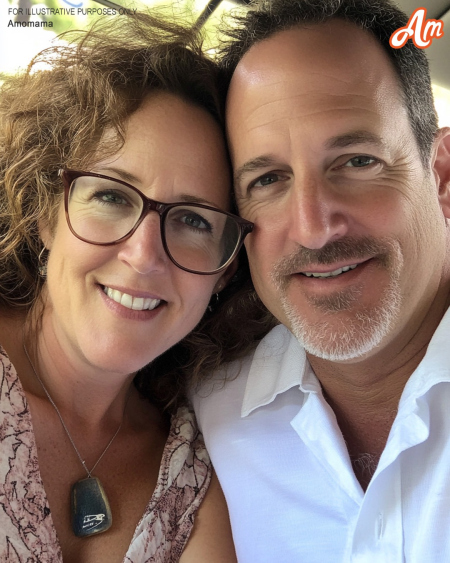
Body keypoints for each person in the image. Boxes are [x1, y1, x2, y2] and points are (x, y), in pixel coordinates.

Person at [191, 0, 450, 560]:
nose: (313, 229)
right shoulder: (206, 418)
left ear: (442, 175)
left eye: (357, 161)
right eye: (267, 180)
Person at [0, 12, 248, 562]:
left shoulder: (194, 476)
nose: (143, 255)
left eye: (194, 220)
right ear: (46, 213)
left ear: (226, 269)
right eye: (112, 196)